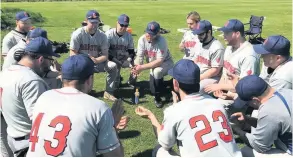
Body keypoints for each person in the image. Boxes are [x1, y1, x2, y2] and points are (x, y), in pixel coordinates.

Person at [135, 59, 242, 157]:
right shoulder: (217, 104)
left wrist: (151, 116)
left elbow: (165, 142)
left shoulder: (174, 111)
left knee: (160, 150)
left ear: (175, 83)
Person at [26, 54, 125, 157]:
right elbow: (115, 155)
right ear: (89, 79)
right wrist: (112, 126)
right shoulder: (98, 108)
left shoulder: (43, 97)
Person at [0, 37, 59, 156]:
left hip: (13, 136)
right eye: (50, 60)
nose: (49, 64)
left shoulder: (6, 73)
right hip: (29, 144)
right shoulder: (31, 81)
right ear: (41, 59)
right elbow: (39, 121)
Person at [203, 19, 260, 113]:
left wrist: (220, 87)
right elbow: (225, 72)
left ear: (237, 34)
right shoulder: (229, 47)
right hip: (227, 92)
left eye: (227, 33)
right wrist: (219, 88)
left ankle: (241, 122)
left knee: (214, 112)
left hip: (242, 98)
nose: (223, 36)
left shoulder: (249, 55)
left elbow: (245, 88)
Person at [230, 75, 292, 156]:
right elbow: (275, 121)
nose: (248, 105)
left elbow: (260, 147)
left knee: (246, 151)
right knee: (256, 113)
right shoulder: (287, 91)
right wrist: (247, 119)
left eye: (247, 103)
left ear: (255, 100)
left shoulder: (268, 111)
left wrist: (236, 129)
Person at [70, 10, 118, 101]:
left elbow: (105, 55)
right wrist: (85, 60)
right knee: (86, 91)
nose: (94, 25)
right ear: (86, 21)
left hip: (96, 62)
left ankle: (109, 92)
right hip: (81, 64)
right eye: (92, 22)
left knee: (112, 66)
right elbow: (72, 53)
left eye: (96, 22)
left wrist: (95, 60)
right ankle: (81, 90)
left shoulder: (102, 36)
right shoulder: (78, 34)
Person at [132, 21, 174, 108]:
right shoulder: (142, 39)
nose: (149, 36)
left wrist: (142, 67)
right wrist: (136, 68)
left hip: (166, 63)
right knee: (152, 89)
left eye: (152, 34)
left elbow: (159, 61)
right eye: (148, 33)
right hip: (153, 64)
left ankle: (158, 98)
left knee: (157, 72)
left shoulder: (162, 41)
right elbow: (140, 57)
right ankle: (170, 83)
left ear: (158, 33)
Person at [191, 20, 225, 92]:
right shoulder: (199, 43)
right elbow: (195, 60)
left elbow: (215, 70)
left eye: (201, 34)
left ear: (209, 32)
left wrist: (198, 78)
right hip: (199, 74)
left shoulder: (217, 48)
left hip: (212, 77)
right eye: (197, 34)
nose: (198, 36)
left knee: (197, 88)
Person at [105, 14, 135, 89]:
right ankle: (116, 80)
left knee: (137, 63)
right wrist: (116, 60)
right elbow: (105, 52)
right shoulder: (108, 34)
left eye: (126, 25)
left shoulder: (129, 36)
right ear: (117, 23)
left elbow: (131, 51)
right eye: (122, 25)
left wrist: (129, 60)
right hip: (111, 58)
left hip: (123, 58)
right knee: (116, 85)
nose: (124, 27)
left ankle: (131, 82)